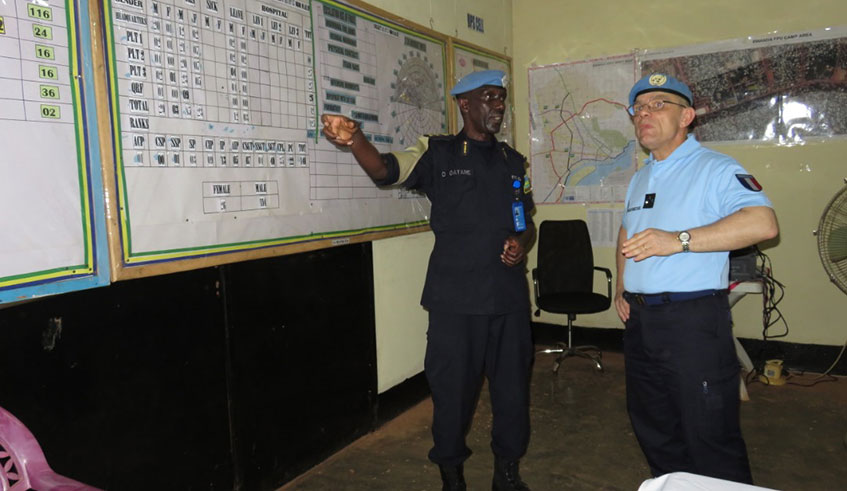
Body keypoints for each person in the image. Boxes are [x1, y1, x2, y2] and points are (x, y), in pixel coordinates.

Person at [322, 70, 535, 491]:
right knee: (453, 395)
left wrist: (522, 243)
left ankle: (507, 474)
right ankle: (452, 476)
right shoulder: (438, 153)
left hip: (508, 301)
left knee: (512, 395)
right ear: (464, 104)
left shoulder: (514, 161)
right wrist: (355, 141)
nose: (498, 106)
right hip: (455, 302)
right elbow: (385, 171)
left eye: (502, 99)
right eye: (489, 98)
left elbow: (525, 222)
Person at [615, 73, 779, 484]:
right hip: (641, 323)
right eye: (639, 108)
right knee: (655, 429)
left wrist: (679, 240)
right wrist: (623, 285)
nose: (644, 115)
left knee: (709, 436)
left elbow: (763, 223)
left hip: (691, 322)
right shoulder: (641, 175)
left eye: (658, 105)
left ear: (686, 116)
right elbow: (626, 231)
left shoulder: (716, 168)